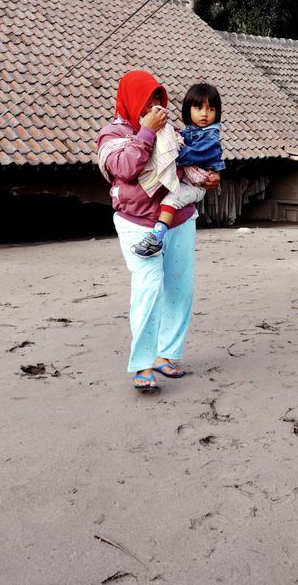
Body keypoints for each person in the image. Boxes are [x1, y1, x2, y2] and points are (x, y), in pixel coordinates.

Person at [97, 71, 221, 392]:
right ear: (132, 99)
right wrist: (146, 133)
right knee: (149, 287)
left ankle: (167, 354)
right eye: (148, 98)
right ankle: (142, 364)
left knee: (180, 289)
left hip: (179, 219)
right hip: (136, 223)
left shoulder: (173, 131)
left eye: (158, 99)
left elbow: (184, 167)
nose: (154, 105)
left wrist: (208, 179)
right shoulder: (112, 136)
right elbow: (126, 168)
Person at [131, 83, 225, 258]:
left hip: (196, 185)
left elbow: (191, 156)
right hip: (189, 180)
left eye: (211, 109)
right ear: (188, 109)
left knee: (170, 201)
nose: (204, 114)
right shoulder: (190, 131)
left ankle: (155, 239)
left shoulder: (210, 137)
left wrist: (172, 148)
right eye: (198, 108)